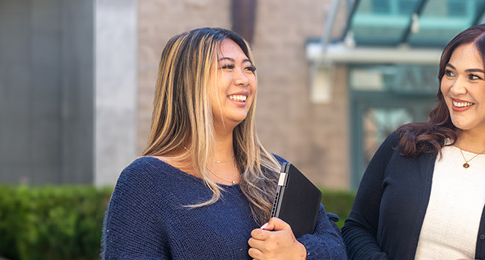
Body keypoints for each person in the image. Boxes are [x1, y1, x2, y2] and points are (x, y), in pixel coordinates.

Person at [101, 27, 347, 260]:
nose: (243, 79)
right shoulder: (145, 182)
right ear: (188, 82)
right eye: (227, 67)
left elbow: (337, 247)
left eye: (248, 68)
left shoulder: (275, 172)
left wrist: (300, 252)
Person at [341, 23, 485, 260]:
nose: (455, 88)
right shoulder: (404, 146)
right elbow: (357, 228)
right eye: (450, 73)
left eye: (473, 77)